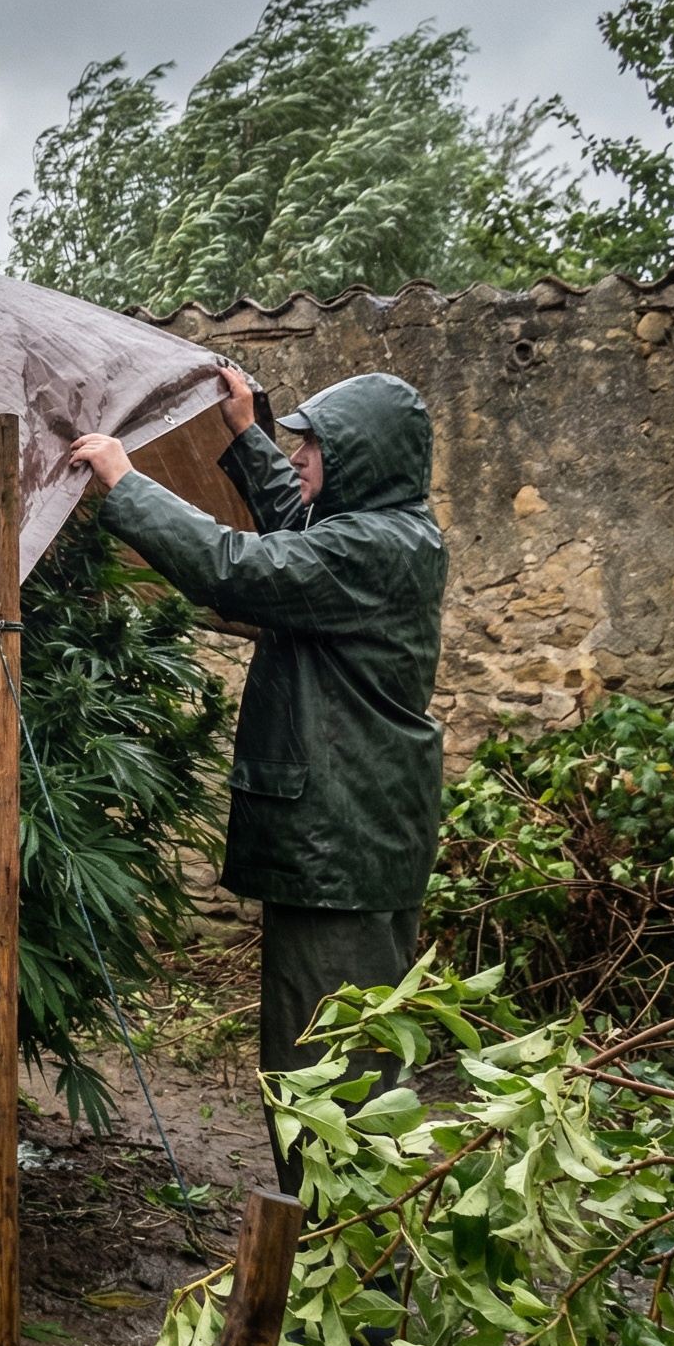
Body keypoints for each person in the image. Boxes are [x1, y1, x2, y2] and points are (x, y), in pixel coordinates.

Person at [68, 367, 445, 1195]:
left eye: (314, 449)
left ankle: (344, 1255)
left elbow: (238, 569)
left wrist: (127, 484)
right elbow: (297, 529)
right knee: (342, 1057)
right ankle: (341, 1242)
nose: (298, 459)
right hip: (358, 837)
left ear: (364, 459)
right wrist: (246, 435)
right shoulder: (383, 534)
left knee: (329, 1072)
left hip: (342, 848)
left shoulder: (371, 548)